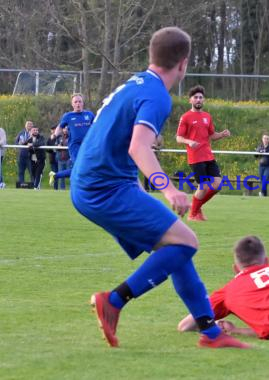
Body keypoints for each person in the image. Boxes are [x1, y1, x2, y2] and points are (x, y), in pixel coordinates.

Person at [70, 27, 248, 349]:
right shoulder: (156, 96)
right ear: (183, 63)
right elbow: (139, 147)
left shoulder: (135, 84)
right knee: (187, 241)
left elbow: (111, 137)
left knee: (176, 247)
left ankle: (211, 333)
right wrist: (168, 189)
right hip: (104, 188)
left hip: (98, 183)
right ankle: (114, 300)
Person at [176, 85, 231, 221]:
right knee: (204, 187)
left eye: (201, 97)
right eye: (196, 97)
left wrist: (222, 135)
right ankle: (193, 214)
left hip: (208, 156)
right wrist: (189, 142)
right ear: (190, 100)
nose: (198, 99)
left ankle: (195, 208)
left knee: (218, 184)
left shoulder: (207, 116)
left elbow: (212, 135)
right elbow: (178, 138)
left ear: (203, 100)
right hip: (196, 158)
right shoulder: (186, 117)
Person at [49, 93, 94, 187]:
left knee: (87, 167)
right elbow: (60, 127)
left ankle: (55, 175)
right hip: (75, 146)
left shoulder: (89, 114)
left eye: (80, 101)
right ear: (72, 104)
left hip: (87, 145)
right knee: (81, 166)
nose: (78, 104)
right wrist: (54, 135)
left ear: (83, 103)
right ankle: (82, 185)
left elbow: (96, 127)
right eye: (76, 102)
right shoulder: (68, 116)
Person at [15, 120, 34, 185]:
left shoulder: (34, 133)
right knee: (21, 172)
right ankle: (21, 185)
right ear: (25, 125)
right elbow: (16, 142)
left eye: (30, 124)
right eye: (28, 124)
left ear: (32, 126)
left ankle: (34, 185)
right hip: (22, 155)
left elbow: (37, 142)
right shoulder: (21, 133)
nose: (29, 126)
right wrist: (18, 144)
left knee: (32, 171)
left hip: (30, 155)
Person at [46, 125, 59, 190]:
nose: (53, 131)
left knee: (60, 172)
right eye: (52, 130)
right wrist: (53, 148)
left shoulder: (59, 137)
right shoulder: (49, 138)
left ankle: (62, 187)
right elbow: (47, 149)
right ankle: (55, 188)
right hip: (52, 158)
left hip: (60, 158)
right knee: (54, 173)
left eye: (55, 129)